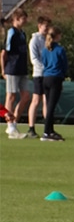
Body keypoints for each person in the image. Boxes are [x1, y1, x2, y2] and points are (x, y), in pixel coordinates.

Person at [2, 8, 32, 138]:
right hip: (12, 68)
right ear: (17, 19)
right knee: (11, 96)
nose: (25, 21)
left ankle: (14, 122)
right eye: (23, 18)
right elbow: (4, 52)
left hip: (22, 69)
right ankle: (10, 126)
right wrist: (3, 69)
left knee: (26, 96)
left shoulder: (22, 33)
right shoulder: (11, 32)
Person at [40, 26, 68, 141]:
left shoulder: (45, 50)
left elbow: (44, 62)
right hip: (55, 77)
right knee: (51, 106)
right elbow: (64, 64)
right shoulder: (60, 49)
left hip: (46, 77)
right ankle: (47, 131)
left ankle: (50, 130)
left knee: (48, 104)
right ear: (57, 36)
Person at [26, 16, 51, 139]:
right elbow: (34, 59)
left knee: (47, 100)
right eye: (45, 27)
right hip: (39, 74)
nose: (47, 29)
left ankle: (48, 127)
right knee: (36, 100)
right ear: (39, 26)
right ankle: (31, 127)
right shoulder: (34, 40)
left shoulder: (47, 40)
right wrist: (44, 68)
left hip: (48, 74)